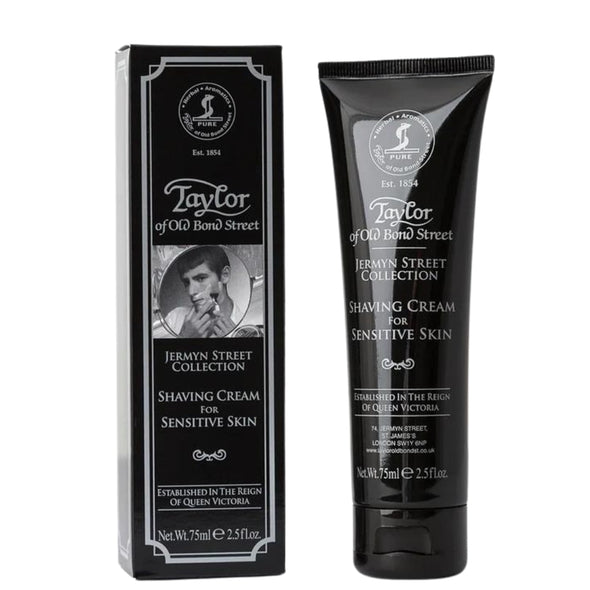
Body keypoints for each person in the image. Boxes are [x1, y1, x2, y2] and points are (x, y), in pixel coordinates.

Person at [162, 246, 242, 338]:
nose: (191, 292)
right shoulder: (174, 318)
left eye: (201, 278)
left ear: (225, 275)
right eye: (187, 282)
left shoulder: (247, 324)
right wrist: (183, 336)